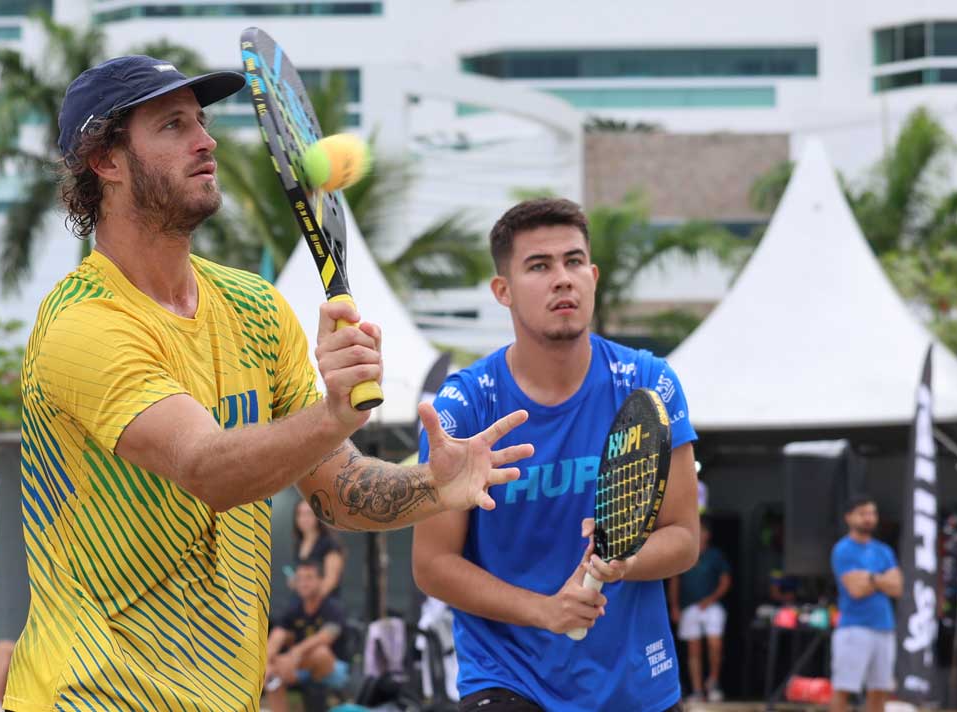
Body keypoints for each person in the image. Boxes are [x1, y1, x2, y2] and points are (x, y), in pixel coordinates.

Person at [3, 55, 534, 712]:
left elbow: (338, 492)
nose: (207, 141)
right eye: (172, 125)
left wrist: (434, 486)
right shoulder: (82, 324)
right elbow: (210, 471)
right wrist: (336, 413)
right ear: (105, 162)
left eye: (202, 121)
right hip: (92, 695)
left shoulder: (256, 308)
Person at [412, 198, 700, 712]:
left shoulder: (650, 382)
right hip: (509, 677)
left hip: (635, 685)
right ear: (503, 290)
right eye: (539, 266)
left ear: (592, 275)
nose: (562, 279)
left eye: (572, 262)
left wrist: (623, 560)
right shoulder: (465, 405)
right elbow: (433, 565)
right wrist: (546, 611)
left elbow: (682, 539)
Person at [829, 494, 902, 712]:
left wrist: (869, 578)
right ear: (849, 517)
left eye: (872, 513)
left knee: (880, 689)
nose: (869, 518)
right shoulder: (843, 549)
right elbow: (856, 590)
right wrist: (881, 579)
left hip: (884, 628)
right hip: (854, 628)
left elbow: (897, 587)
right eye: (863, 513)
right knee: (844, 688)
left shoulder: (884, 550)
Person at [264, 561, 349, 712]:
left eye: (309, 578)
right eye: (300, 579)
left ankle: (282, 666)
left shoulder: (332, 607)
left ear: (321, 581)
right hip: (298, 668)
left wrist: (295, 653)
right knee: (272, 676)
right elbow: (278, 635)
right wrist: (268, 661)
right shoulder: (293, 608)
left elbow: (326, 637)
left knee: (320, 652)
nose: (303, 583)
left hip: (333, 669)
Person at [668, 520, 731, 702]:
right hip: (689, 607)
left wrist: (710, 600)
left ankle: (713, 682)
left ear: (707, 535)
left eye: (702, 532)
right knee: (693, 649)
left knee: (715, 643)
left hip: (712, 606)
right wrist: (674, 606)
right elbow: (675, 581)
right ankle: (697, 690)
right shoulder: (685, 554)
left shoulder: (715, 556)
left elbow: (725, 581)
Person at [291, 497, 345, 600]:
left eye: (308, 514)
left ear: (317, 516)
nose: (304, 519)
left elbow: (330, 582)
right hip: (302, 601)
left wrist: (311, 604)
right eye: (300, 514)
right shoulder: (299, 543)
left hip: (324, 603)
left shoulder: (329, 543)